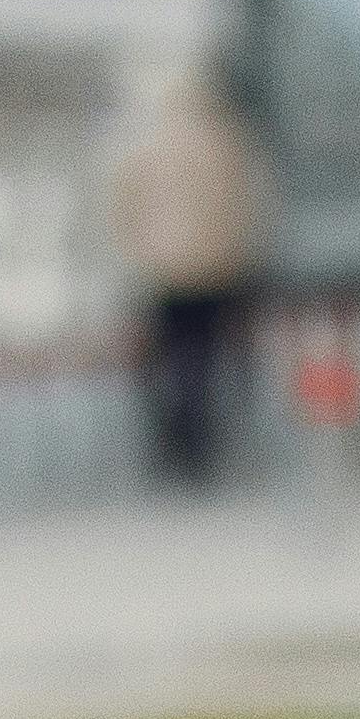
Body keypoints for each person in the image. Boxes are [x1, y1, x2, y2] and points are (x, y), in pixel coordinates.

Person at [107, 65, 271, 491]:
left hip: (161, 273)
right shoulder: (226, 144)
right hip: (216, 270)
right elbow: (244, 206)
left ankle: (172, 444)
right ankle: (200, 447)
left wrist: (141, 249)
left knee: (170, 358)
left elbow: (123, 206)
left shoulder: (148, 147)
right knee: (206, 359)